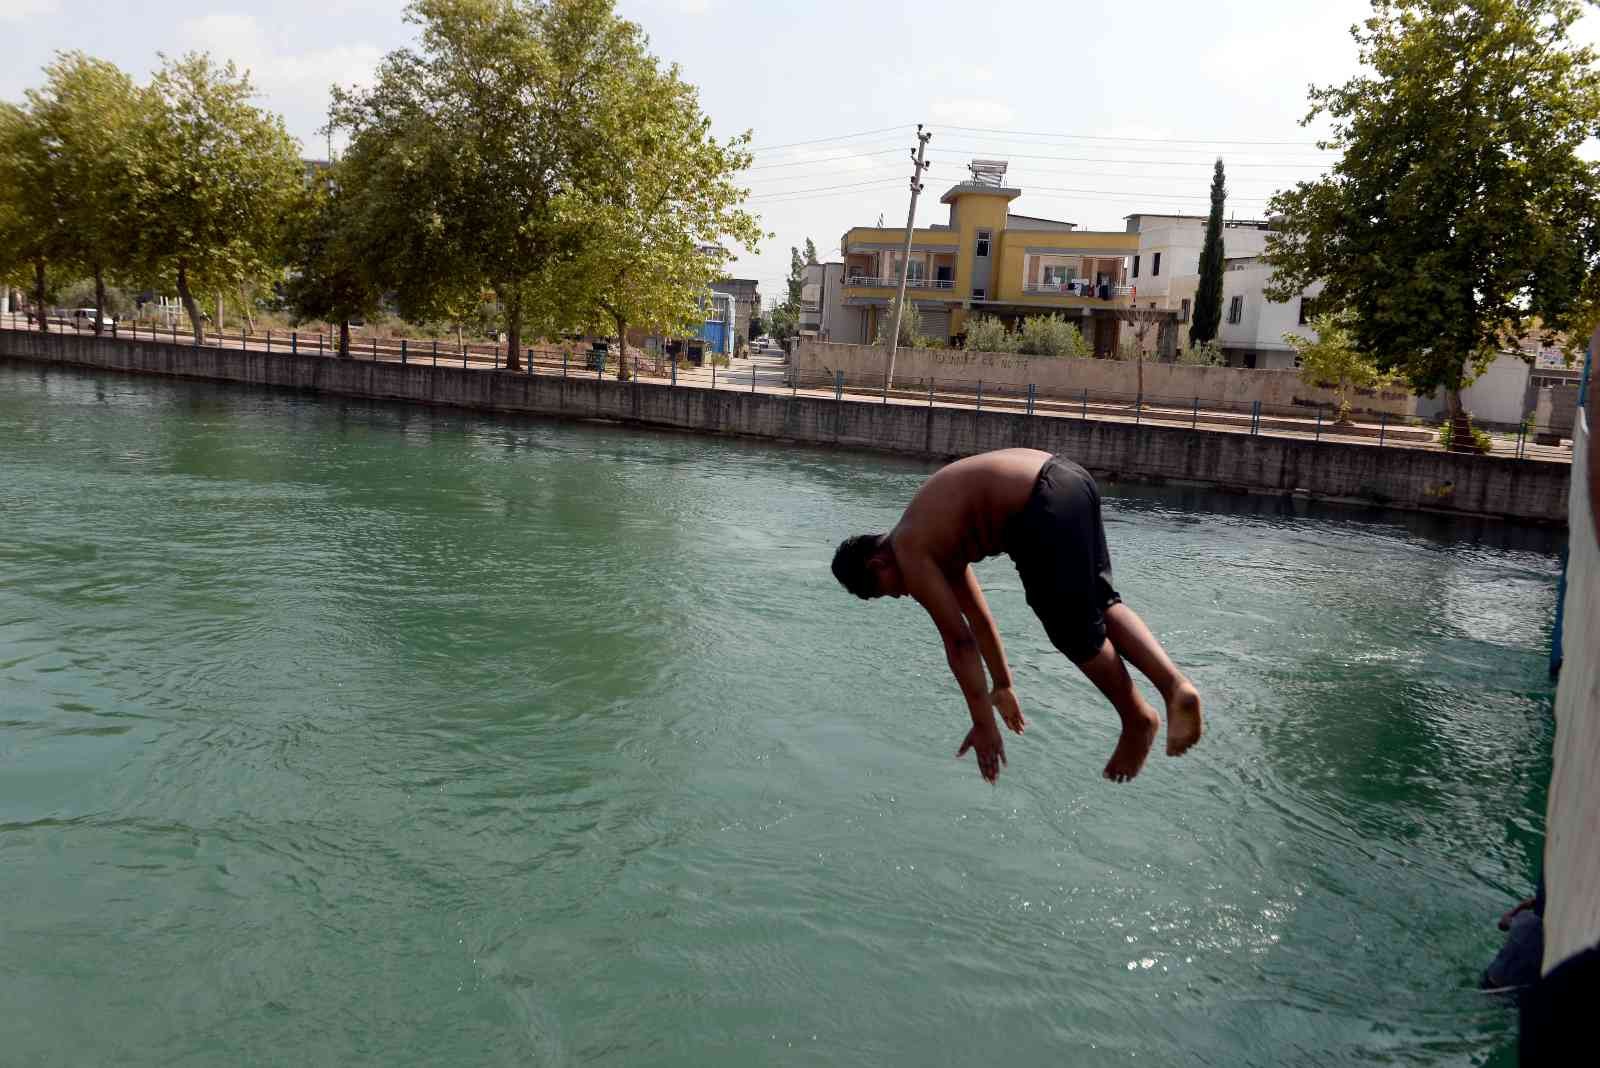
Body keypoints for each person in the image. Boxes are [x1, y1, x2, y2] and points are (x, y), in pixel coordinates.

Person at [831, 448, 1201, 784]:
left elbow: (959, 642)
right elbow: (978, 618)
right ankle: (1174, 686)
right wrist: (1002, 685)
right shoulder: (934, 536)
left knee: (1070, 631)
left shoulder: (909, 548)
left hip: (1038, 506)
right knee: (1101, 605)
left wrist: (983, 725)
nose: (905, 593)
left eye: (893, 590)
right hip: (1069, 478)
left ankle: (1136, 717)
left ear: (878, 564)